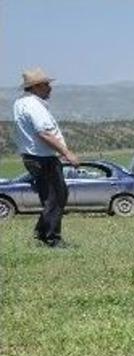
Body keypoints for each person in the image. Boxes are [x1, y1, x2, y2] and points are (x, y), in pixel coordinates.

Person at [12, 67, 78, 248]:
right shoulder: (34, 105)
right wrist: (67, 152)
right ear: (37, 86)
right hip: (43, 158)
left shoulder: (20, 103)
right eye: (47, 84)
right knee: (55, 197)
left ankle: (42, 232)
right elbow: (44, 133)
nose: (50, 88)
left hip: (33, 156)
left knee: (56, 195)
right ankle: (52, 239)